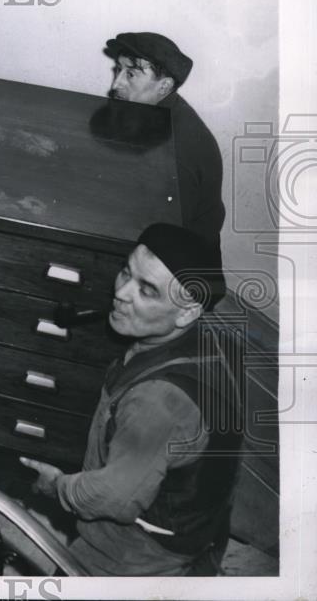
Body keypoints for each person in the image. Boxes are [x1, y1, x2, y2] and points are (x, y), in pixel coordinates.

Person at [21, 223, 242, 576]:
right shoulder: (208, 343)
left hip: (135, 553)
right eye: (126, 270)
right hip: (197, 527)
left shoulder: (158, 401)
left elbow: (113, 498)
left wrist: (58, 488)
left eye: (147, 290)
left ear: (187, 312)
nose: (121, 292)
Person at [104, 32, 225, 242]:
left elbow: (164, 237)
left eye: (131, 74)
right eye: (118, 70)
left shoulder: (178, 152)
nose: (116, 84)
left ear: (164, 86)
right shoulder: (154, 109)